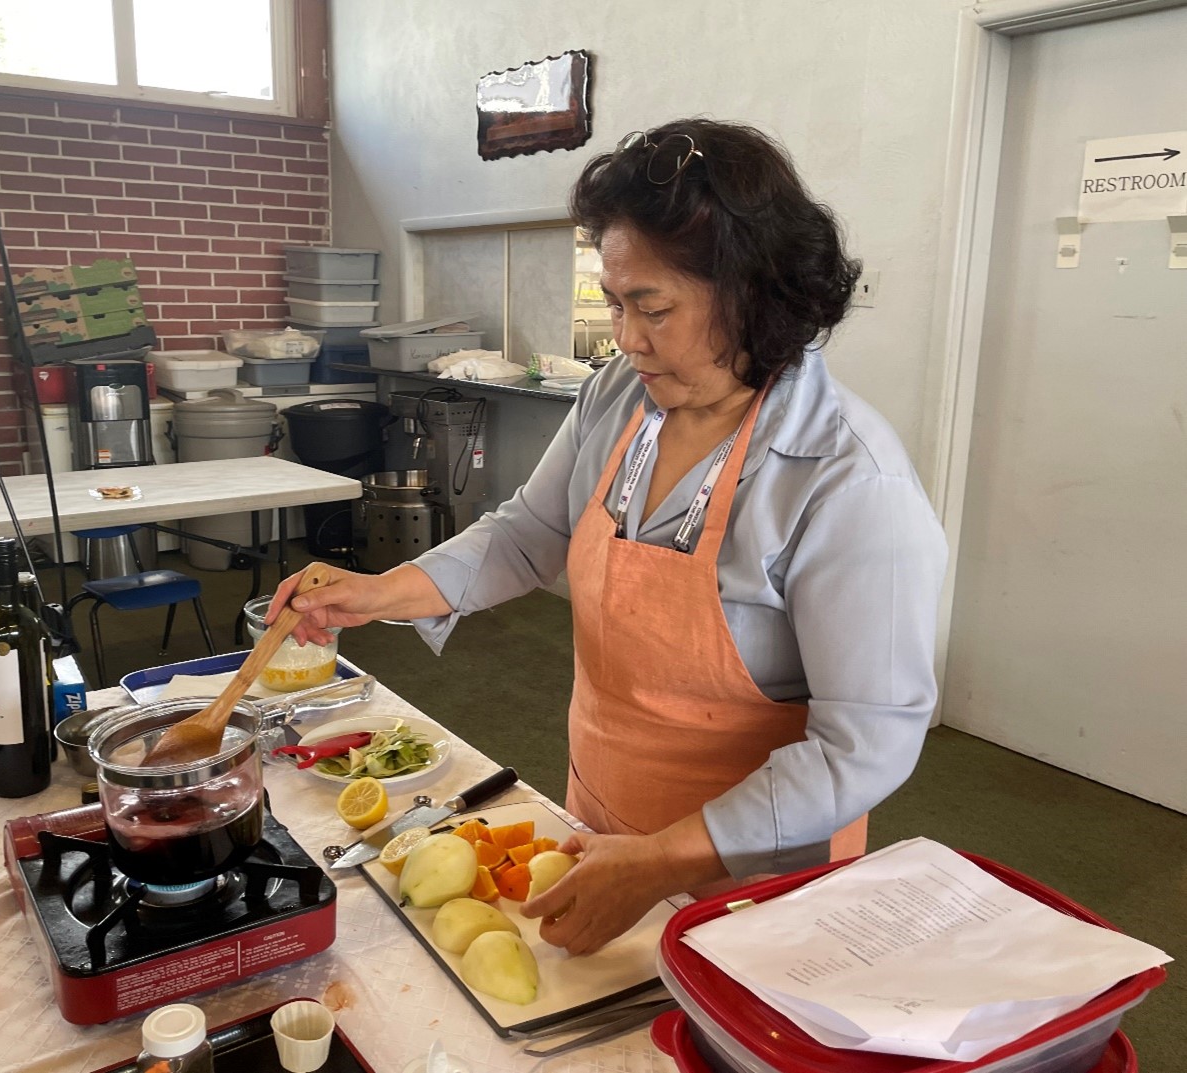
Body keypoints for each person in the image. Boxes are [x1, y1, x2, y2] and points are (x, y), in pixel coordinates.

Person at [269, 118, 947, 955]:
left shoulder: (849, 481)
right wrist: (381, 591)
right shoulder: (623, 396)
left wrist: (659, 860)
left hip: (750, 877)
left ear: (752, 292)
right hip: (601, 816)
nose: (625, 338)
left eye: (651, 307)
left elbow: (864, 746)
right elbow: (529, 533)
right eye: (616, 304)